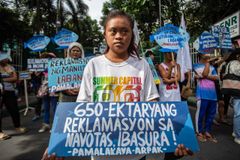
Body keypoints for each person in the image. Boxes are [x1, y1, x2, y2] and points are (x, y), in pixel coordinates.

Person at [42, 10, 192, 160]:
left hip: (137, 153)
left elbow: (152, 106)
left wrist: (176, 138)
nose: (119, 36)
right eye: (113, 31)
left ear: (131, 35)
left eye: (125, 31)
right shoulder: (93, 65)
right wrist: (58, 144)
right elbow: (82, 111)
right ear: (105, 35)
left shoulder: (142, 65)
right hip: (101, 154)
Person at [193, 53, 219, 143]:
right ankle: (199, 132)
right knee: (200, 114)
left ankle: (207, 132)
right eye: (205, 52)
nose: (208, 54)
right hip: (202, 94)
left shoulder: (212, 67)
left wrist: (206, 76)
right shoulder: (196, 66)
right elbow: (204, 74)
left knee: (211, 115)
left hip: (212, 95)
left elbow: (217, 78)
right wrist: (208, 64)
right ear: (200, 54)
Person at [0, 56, 27, 140]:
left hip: (10, 91)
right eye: (4, 58)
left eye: (7, 58)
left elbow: (15, 78)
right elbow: (12, 78)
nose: (6, 59)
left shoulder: (10, 67)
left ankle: (17, 127)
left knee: (14, 109)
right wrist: (9, 78)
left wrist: (2, 79)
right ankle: (0, 133)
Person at [38, 52, 59, 133]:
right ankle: (46, 124)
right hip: (45, 88)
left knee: (54, 108)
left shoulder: (57, 65)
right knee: (46, 107)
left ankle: (55, 125)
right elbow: (38, 75)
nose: (48, 58)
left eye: (50, 57)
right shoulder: (42, 66)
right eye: (46, 57)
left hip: (54, 87)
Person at [224, 49, 240, 144]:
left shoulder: (229, 63)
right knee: (238, 113)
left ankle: (235, 132)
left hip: (233, 89)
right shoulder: (236, 64)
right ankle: (238, 136)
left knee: (237, 112)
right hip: (238, 90)